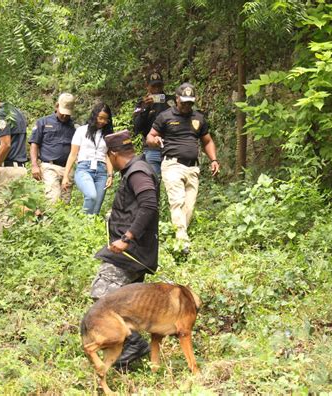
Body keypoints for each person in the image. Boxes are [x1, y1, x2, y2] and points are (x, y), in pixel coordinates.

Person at [91, 129, 159, 369]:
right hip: (133, 251)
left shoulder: (138, 172)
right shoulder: (134, 170)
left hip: (130, 252)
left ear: (113, 153)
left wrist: (127, 238)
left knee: (102, 296)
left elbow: (149, 205)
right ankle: (125, 357)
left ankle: (133, 345)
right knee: (125, 306)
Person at [147, 82, 220, 254]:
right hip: (172, 164)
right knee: (177, 201)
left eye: (190, 102)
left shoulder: (198, 118)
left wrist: (214, 160)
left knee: (189, 206)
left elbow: (207, 141)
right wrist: (154, 141)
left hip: (193, 169)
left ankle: (179, 236)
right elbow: (150, 136)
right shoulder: (165, 116)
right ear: (177, 99)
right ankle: (182, 242)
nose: (187, 105)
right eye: (184, 102)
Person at [0, 98, 28, 263]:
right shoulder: (18, 112)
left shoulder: (2, 114)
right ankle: (13, 257)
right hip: (20, 170)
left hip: (6, 170)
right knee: (13, 215)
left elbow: (6, 144)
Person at [62, 103, 114, 215]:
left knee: (96, 209)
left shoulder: (108, 135)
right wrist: (65, 176)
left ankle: (89, 229)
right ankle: (82, 224)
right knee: (91, 196)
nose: (102, 121)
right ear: (94, 115)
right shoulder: (81, 130)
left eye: (106, 119)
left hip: (102, 172)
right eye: (100, 118)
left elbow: (108, 155)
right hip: (84, 169)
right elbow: (73, 154)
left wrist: (110, 175)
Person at [29, 93, 76, 205]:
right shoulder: (43, 122)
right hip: (49, 166)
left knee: (65, 202)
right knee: (52, 199)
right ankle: (48, 222)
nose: (65, 116)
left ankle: (60, 223)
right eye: (63, 113)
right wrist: (34, 165)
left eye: (67, 114)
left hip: (67, 168)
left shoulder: (74, 126)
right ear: (56, 106)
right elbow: (34, 144)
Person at [133, 71, 175, 176]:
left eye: (159, 85)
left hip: (172, 148)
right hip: (151, 149)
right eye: (153, 86)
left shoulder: (172, 100)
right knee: (153, 183)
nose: (157, 88)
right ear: (147, 87)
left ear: (163, 85)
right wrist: (146, 108)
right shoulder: (142, 103)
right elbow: (137, 127)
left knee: (173, 182)